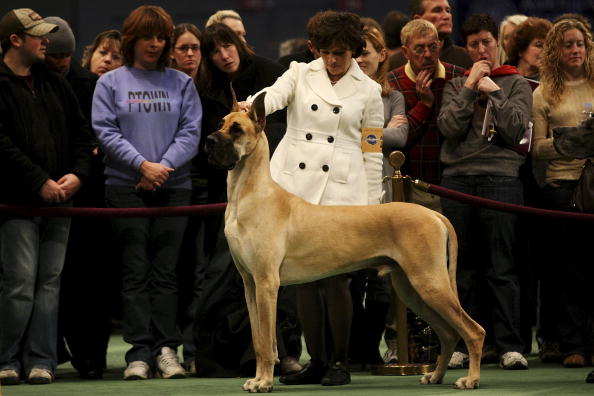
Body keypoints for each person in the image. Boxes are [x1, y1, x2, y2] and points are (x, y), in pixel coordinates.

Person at [254, 10, 384, 386]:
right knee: (304, 281)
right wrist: (252, 105)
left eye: (340, 53)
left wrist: (372, 205)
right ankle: (317, 361)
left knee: (337, 280)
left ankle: (340, 363)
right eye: (325, 52)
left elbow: (372, 149)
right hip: (295, 186)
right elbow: (273, 96)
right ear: (315, 49)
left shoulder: (370, 91)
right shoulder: (298, 73)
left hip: (343, 191)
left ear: (355, 52)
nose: (332, 60)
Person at [92, 5, 201, 380]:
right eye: (147, 37)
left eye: (160, 38)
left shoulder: (181, 83)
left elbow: (191, 132)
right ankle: (138, 352)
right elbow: (105, 132)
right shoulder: (110, 83)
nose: (154, 44)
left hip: (173, 187)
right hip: (125, 187)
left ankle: (166, 350)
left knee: (167, 274)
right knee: (135, 273)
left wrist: (160, 168)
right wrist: (141, 166)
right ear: (132, 39)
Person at [192, 22, 296, 378]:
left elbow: (285, 127)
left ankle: (285, 353)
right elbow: (210, 143)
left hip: (275, 184)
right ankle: (223, 356)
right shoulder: (205, 88)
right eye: (215, 51)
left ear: (240, 43)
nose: (224, 55)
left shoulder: (271, 74)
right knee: (229, 281)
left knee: (273, 282)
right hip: (230, 194)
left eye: (228, 46)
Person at [0, 8, 93, 385]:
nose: (45, 41)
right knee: (20, 283)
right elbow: (1, 145)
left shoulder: (55, 83)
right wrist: (38, 180)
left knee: (48, 283)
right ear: (15, 40)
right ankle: (7, 358)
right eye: (37, 35)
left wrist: (77, 176)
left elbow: (82, 137)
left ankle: (42, 360)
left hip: (60, 200)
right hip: (17, 201)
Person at [437, 13, 532, 370]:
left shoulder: (516, 83)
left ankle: (509, 344)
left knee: (502, 267)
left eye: (487, 42)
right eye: (474, 44)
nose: (481, 49)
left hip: (501, 180)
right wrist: (468, 88)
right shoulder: (455, 84)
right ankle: (464, 342)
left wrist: (492, 91)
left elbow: (517, 130)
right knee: (462, 269)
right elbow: (448, 127)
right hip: (458, 182)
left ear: (499, 44)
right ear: (467, 48)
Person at [44, 15, 115, 380]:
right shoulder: (29, 84)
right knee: (46, 281)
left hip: (88, 196)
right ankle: (46, 353)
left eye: (67, 56)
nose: (62, 62)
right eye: (56, 56)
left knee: (91, 282)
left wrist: (78, 174)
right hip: (42, 193)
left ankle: (92, 358)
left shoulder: (90, 84)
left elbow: (92, 138)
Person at [531, 17, 594, 370]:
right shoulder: (543, 93)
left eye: (580, 44)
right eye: (568, 44)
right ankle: (573, 344)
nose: (575, 50)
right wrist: (572, 142)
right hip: (562, 189)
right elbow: (536, 149)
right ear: (556, 50)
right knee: (568, 271)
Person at [350, 24, 407, 368]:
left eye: (366, 52)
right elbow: (389, 133)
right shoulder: (341, 96)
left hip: (384, 195)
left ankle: (370, 349)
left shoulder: (392, 95)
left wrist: (361, 134)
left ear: (382, 56)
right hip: (348, 197)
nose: (359, 59)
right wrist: (378, 133)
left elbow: (399, 137)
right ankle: (354, 351)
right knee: (352, 280)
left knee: (382, 284)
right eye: (354, 53)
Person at [387, 19, 466, 210]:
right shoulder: (391, 83)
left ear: (440, 45)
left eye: (432, 46)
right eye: (419, 49)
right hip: (408, 181)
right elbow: (401, 139)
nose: (428, 54)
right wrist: (425, 104)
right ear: (405, 52)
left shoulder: (458, 77)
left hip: (454, 181)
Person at [388, 0, 472, 70]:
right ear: (418, 19)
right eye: (437, 10)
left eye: (448, 11)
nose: (446, 16)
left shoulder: (465, 57)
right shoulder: (394, 63)